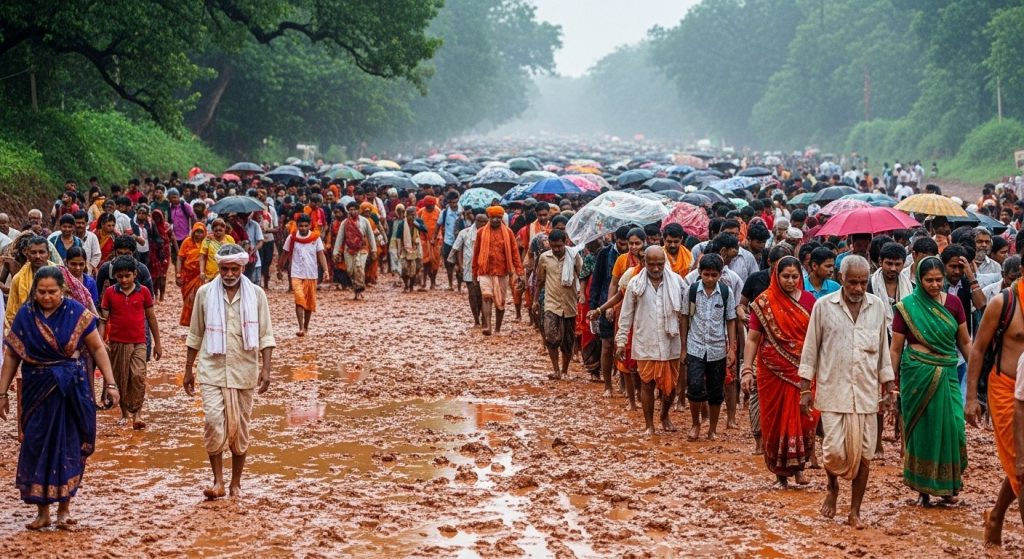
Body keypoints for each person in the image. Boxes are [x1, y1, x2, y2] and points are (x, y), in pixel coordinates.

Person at [0, 266, 118, 529]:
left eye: (52, 292)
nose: (46, 297)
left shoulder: (77, 313)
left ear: (63, 290)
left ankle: (64, 510)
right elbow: (11, 355)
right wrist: (2, 393)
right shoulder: (25, 315)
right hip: (36, 389)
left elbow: (97, 347)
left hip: (71, 389)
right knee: (36, 444)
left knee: (69, 444)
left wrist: (111, 384)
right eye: (41, 292)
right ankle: (42, 512)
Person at [799, 255, 895, 528]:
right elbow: (810, 349)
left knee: (864, 454)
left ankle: (855, 510)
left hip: (865, 394)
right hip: (832, 392)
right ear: (841, 279)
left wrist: (889, 388)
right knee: (833, 452)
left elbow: (883, 351)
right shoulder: (823, 307)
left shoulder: (876, 307)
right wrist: (805, 389)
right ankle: (832, 487)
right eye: (852, 282)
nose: (857, 288)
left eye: (863, 283)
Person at [184, 244, 275, 500]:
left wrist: (266, 369)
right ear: (219, 268)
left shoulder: (256, 295)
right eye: (225, 269)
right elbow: (195, 334)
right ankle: (218, 481)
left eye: (234, 268)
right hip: (211, 370)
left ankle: (236, 483)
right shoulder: (204, 294)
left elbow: (266, 335)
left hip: (244, 371)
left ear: (242, 268)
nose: (229, 273)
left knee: (240, 429)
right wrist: (188, 370)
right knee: (213, 423)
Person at [891, 256, 971, 505]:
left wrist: (978, 375)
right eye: (929, 280)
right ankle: (922, 489)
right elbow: (896, 348)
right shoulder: (906, 307)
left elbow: (965, 342)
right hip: (917, 372)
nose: (935, 285)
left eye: (939, 280)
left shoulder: (955, 304)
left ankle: (948, 487)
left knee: (954, 427)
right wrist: (891, 381)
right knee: (922, 429)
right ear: (918, 280)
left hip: (947, 371)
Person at [741, 255, 818, 487]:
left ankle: (800, 468)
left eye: (795, 276)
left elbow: (817, 337)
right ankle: (780, 475)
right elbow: (753, 339)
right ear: (776, 275)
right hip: (772, 371)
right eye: (785, 276)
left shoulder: (809, 301)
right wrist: (747, 369)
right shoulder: (763, 303)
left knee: (806, 418)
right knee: (774, 420)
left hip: (804, 370)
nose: (791, 281)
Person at [966, 260, 1024, 546]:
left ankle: (996, 516)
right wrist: (971, 398)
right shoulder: (1004, 303)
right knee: (1020, 466)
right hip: (1005, 389)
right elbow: (977, 349)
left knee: (1019, 465)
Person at [616, 246, 683, 436]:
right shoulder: (635, 284)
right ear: (644, 262)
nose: (655, 268)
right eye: (651, 264)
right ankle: (649, 424)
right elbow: (626, 314)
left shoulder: (677, 282)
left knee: (671, 387)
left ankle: (664, 416)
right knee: (647, 384)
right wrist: (621, 341)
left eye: (659, 264)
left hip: (671, 342)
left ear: (665, 263)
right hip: (645, 340)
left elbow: (686, 312)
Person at [98, 256, 162, 430]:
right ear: (115, 277)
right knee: (121, 377)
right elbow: (103, 319)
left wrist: (157, 343)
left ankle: (138, 414)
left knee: (138, 376)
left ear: (135, 274)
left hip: (139, 342)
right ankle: (125, 414)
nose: (124, 280)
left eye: (127, 276)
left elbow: (151, 317)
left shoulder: (144, 293)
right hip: (116, 343)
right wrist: (101, 340)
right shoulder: (110, 293)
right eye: (120, 277)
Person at [681, 254, 737, 442]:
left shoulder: (726, 292)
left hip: (717, 348)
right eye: (707, 274)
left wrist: (731, 349)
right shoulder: (692, 291)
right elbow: (684, 318)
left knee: (715, 390)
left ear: (720, 274)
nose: (710, 279)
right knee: (695, 386)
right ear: (700, 273)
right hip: (695, 346)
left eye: (714, 275)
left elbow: (730, 320)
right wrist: (683, 348)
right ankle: (695, 423)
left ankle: (712, 428)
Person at [534, 230, 581, 380]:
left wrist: (583, 293)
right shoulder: (544, 258)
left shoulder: (574, 256)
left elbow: (582, 274)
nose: (556, 249)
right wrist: (535, 300)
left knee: (568, 340)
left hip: (569, 303)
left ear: (565, 242)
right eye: (553, 246)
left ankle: (565, 370)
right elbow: (540, 280)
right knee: (550, 337)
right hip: (551, 303)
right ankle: (556, 370)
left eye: (559, 246)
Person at [588, 227, 630, 397]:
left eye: (628, 244)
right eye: (622, 243)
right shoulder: (604, 254)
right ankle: (607, 386)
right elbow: (597, 281)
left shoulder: (638, 256)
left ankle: (624, 383)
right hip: (606, 304)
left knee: (625, 346)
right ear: (615, 239)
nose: (626, 247)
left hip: (627, 307)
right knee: (607, 346)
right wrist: (594, 305)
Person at [472, 206, 523, 336]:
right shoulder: (481, 232)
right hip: (485, 270)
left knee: (500, 302)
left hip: (503, 271)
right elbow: (476, 253)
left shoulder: (508, 232)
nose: (495, 220)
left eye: (498, 218)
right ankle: (487, 326)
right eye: (493, 217)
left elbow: (514, 253)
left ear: (501, 218)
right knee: (486, 297)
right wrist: (474, 273)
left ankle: (498, 329)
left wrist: (519, 272)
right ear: (488, 217)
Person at [278, 215, 329, 336]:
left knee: (309, 303)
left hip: (311, 274)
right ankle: (300, 327)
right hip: (296, 273)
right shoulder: (292, 237)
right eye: (301, 226)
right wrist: (279, 269)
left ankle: (306, 327)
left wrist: (326, 270)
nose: (303, 228)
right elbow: (284, 253)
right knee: (299, 299)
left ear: (310, 225)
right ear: (297, 225)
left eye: (306, 226)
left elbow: (321, 254)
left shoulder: (315, 238)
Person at [331, 201, 378, 299]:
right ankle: (357, 288)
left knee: (359, 267)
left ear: (358, 210)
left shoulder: (365, 221)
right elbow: (340, 238)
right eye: (350, 210)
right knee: (350, 270)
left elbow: (370, 236)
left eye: (354, 209)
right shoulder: (344, 223)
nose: (352, 212)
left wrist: (373, 250)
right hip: (349, 250)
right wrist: (335, 252)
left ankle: (359, 290)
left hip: (362, 249)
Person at [450, 211, 488, 326]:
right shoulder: (465, 233)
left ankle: (484, 318)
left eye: (484, 222)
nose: (482, 223)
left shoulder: (489, 233)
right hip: (468, 268)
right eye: (479, 221)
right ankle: (476, 319)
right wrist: (460, 265)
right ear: (475, 221)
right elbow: (458, 249)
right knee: (473, 294)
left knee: (483, 294)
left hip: (485, 269)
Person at [176, 223, 207, 327]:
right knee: (189, 300)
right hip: (187, 277)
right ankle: (190, 324)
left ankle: (200, 323)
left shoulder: (207, 242)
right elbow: (180, 258)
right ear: (193, 232)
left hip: (201, 276)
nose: (198, 234)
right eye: (196, 232)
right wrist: (178, 274)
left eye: (201, 232)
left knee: (199, 299)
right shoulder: (187, 241)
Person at [391, 206, 426, 293]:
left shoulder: (418, 221)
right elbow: (398, 237)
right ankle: (406, 284)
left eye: (414, 215)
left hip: (416, 247)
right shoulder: (402, 224)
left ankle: (411, 287)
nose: (412, 217)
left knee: (416, 268)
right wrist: (399, 249)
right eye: (410, 215)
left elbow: (425, 230)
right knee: (404, 268)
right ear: (406, 215)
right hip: (405, 248)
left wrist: (416, 224)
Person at [198, 219, 235, 283]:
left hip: (226, 273)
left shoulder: (229, 239)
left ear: (224, 229)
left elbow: (234, 254)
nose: (218, 232)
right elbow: (202, 257)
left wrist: (225, 246)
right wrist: (201, 272)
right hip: (211, 274)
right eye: (216, 230)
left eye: (220, 230)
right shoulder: (208, 240)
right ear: (212, 230)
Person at [417, 196, 442, 289]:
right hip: (424, 240)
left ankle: (433, 281)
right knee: (425, 261)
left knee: (435, 262)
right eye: (428, 207)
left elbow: (441, 226)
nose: (429, 208)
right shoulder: (421, 211)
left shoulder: (438, 211)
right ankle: (424, 281)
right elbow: (416, 223)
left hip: (436, 241)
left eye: (431, 206)